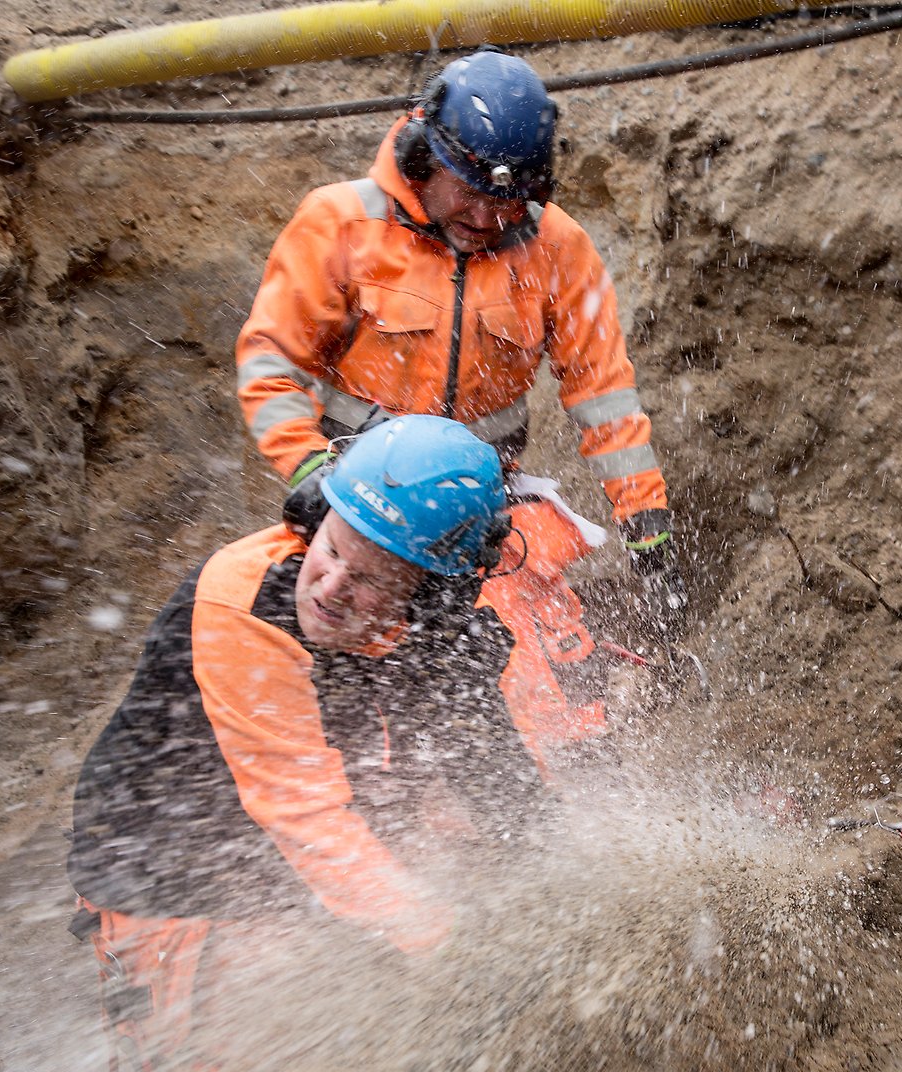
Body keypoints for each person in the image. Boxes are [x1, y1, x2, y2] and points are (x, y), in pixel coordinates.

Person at [26, 417, 549, 1072]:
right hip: (165, 874)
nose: (330, 586)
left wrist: (554, 888)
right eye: (330, 549)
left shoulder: (443, 629)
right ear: (320, 517)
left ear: (427, 589)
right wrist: (439, 940)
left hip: (291, 863)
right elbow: (302, 813)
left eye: (366, 579)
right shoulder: (246, 602)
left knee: (347, 1047)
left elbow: (498, 776)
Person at [234, 49, 687, 761]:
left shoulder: (556, 247)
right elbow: (269, 366)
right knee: (328, 662)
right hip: (355, 502)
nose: (485, 216)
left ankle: (542, 797)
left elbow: (602, 395)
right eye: (469, 191)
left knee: (512, 675)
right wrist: (307, 475)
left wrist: (648, 526)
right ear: (420, 155)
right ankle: (347, 798)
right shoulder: (341, 225)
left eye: (506, 200)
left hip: (485, 515)